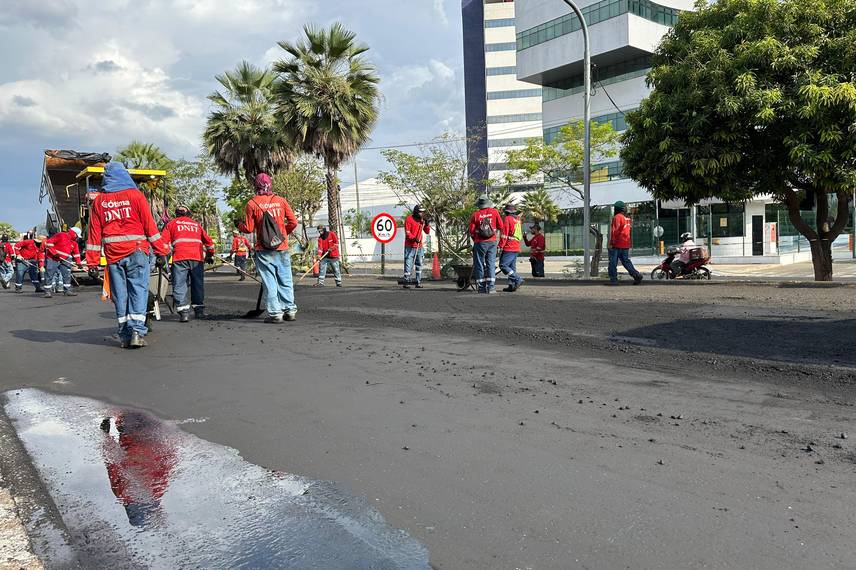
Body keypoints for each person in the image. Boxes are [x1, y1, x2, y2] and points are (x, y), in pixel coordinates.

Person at [85, 162, 169, 348]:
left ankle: (124, 334)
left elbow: (94, 234)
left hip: (113, 256)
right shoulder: (136, 196)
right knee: (138, 290)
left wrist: (91, 262)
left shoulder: (99, 201)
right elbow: (150, 227)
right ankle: (137, 332)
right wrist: (161, 251)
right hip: (137, 252)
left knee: (120, 295)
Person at [237, 172, 299, 323]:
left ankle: (275, 313)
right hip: (282, 247)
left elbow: (249, 228)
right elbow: (293, 222)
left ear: (256, 186)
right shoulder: (280, 200)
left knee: (269, 281)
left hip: (263, 249)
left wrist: (239, 225)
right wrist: (283, 234)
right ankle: (289, 310)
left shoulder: (252, 203)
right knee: (285, 279)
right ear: (270, 184)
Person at [162, 205, 216, 322]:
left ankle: (184, 313)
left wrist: (163, 259)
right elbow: (209, 244)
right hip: (197, 259)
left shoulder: (171, 224)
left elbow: (163, 244)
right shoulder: (196, 224)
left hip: (180, 258)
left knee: (180, 284)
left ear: (176, 214)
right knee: (197, 284)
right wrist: (210, 255)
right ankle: (199, 311)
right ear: (189, 214)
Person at [467, 195, 503, 294]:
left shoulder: (476, 214)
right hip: (492, 242)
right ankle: (491, 287)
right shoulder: (495, 212)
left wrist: (476, 240)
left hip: (480, 243)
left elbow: (472, 231)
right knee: (491, 264)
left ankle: (481, 287)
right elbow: (501, 226)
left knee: (479, 264)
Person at [607, 201, 643, 286]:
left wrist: (611, 243)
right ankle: (636, 275)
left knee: (612, 263)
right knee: (626, 261)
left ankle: (613, 280)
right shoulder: (627, 219)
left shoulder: (617, 217)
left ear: (616, 209)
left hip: (616, 244)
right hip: (626, 244)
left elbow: (615, 231)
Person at [42, 227, 84, 297]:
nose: (77, 237)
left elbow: (76, 254)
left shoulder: (74, 243)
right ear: (73, 233)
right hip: (53, 258)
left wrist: (78, 263)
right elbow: (49, 243)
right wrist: (54, 253)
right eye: (77, 235)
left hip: (65, 259)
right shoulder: (61, 235)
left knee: (67, 275)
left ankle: (67, 290)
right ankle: (47, 292)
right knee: (49, 274)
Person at [402, 205, 431, 289]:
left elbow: (427, 231)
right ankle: (406, 281)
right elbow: (408, 233)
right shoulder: (409, 219)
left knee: (419, 264)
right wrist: (414, 238)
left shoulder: (422, 221)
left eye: (423, 212)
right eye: (420, 212)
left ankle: (418, 282)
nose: (422, 213)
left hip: (419, 247)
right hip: (410, 246)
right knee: (408, 264)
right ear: (416, 212)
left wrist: (427, 224)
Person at [498, 204, 524, 292]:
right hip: (516, 246)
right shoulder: (517, 219)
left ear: (506, 212)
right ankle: (512, 285)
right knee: (512, 267)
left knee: (503, 265)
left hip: (509, 246)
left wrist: (500, 246)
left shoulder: (507, 219)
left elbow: (504, 235)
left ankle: (517, 279)